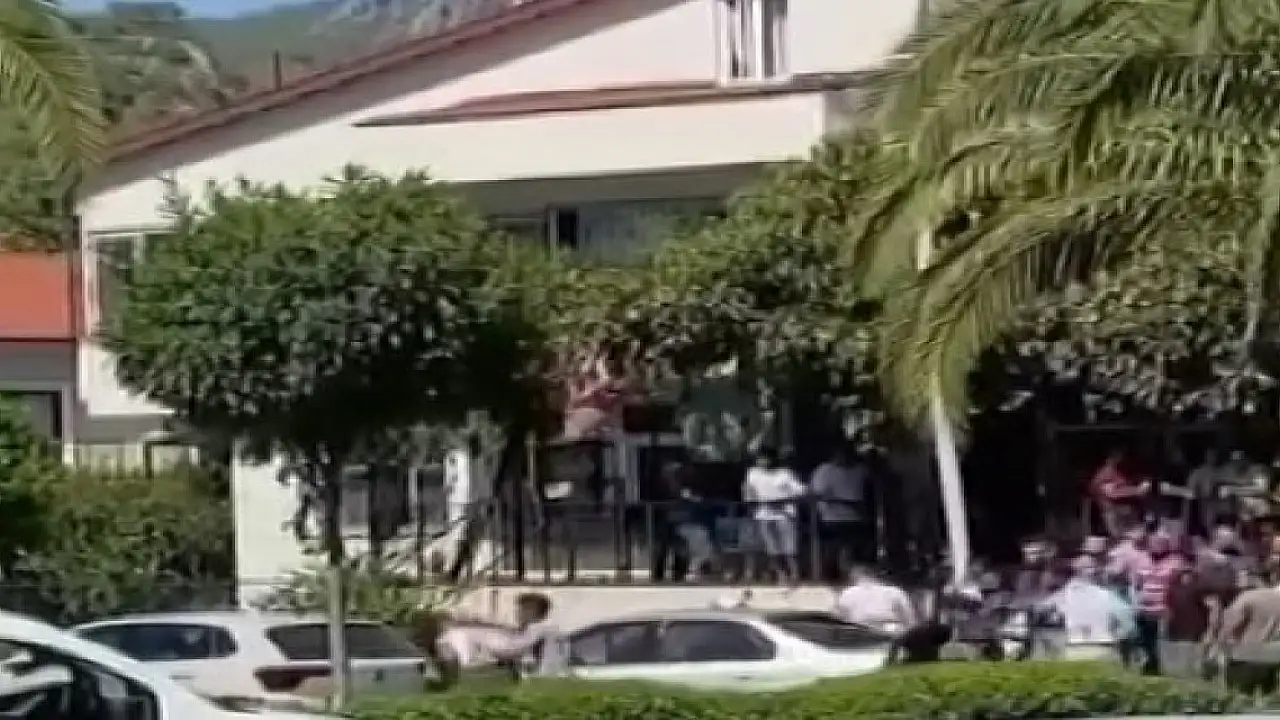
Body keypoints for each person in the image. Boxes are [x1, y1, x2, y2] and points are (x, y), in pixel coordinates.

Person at [742, 447, 807, 584]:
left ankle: (795, 574)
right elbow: (749, 492)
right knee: (772, 548)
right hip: (763, 514)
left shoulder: (785, 473)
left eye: (764, 458)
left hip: (784, 515)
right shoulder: (753, 473)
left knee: (789, 548)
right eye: (759, 459)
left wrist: (784, 501)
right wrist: (751, 500)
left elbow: (801, 491)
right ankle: (781, 575)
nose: (761, 461)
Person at [811, 444, 869, 579]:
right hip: (832, 517)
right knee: (833, 548)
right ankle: (831, 575)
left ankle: (847, 575)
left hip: (855, 517)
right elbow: (819, 494)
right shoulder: (824, 471)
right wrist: (843, 502)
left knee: (850, 548)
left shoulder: (860, 470)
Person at [1131, 531, 1183, 674]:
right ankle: (1146, 668)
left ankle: (1162, 669)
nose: (1157, 545)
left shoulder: (1176, 561)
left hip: (1163, 609)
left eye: (1161, 542)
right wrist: (1136, 603)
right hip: (1143, 608)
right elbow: (1136, 584)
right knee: (1144, 641)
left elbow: (1178, 586)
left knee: (1161, 642)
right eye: (1154, 542)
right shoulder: (1141, 559)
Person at [1217, 575, 1280, 694]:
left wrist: (1221, 646)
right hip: (1271, 658)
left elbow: (1231, 628)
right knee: (1266, 696)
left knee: (1240, 695)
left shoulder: (1246, 598)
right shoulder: (1277, 598)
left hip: (1246, 656)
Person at [490, 592, 570, 678]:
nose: (517, 613)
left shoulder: (536, 629)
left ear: (532, 611)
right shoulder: (552, 630)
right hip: (558, 675)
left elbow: (512, 651)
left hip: (542, 677)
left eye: (521, 609)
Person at [1161, 563, 1215, 679]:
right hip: (1176, 626)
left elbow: (1211, 605)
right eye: (1185, 573)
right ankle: (1179, 674)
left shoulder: (1200, 589)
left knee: (1191, 653)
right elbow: (1167, 607)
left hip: (1195, 627)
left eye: (1190, 574)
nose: (1187, 576)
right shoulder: (1173, 589)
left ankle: (1191, 674)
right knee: (1179, 652)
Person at [834, 565, 916, 632]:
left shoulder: (848, 593)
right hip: (889, 631)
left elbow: (839, 620)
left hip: (860, 631)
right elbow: (910, 620)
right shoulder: (895, 591)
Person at [1090, 449, 1151, 537]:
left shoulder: (1121, 471)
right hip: (1114, 513)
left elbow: (1128, 485)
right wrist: (1137, 490)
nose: (1121, 459)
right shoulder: (1104, 475)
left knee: (1135, 537)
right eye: (1118, 457)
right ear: (1109, 459)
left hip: (1128, 512)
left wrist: (1142, 487)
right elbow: (1113, 493)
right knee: (1121, 539)